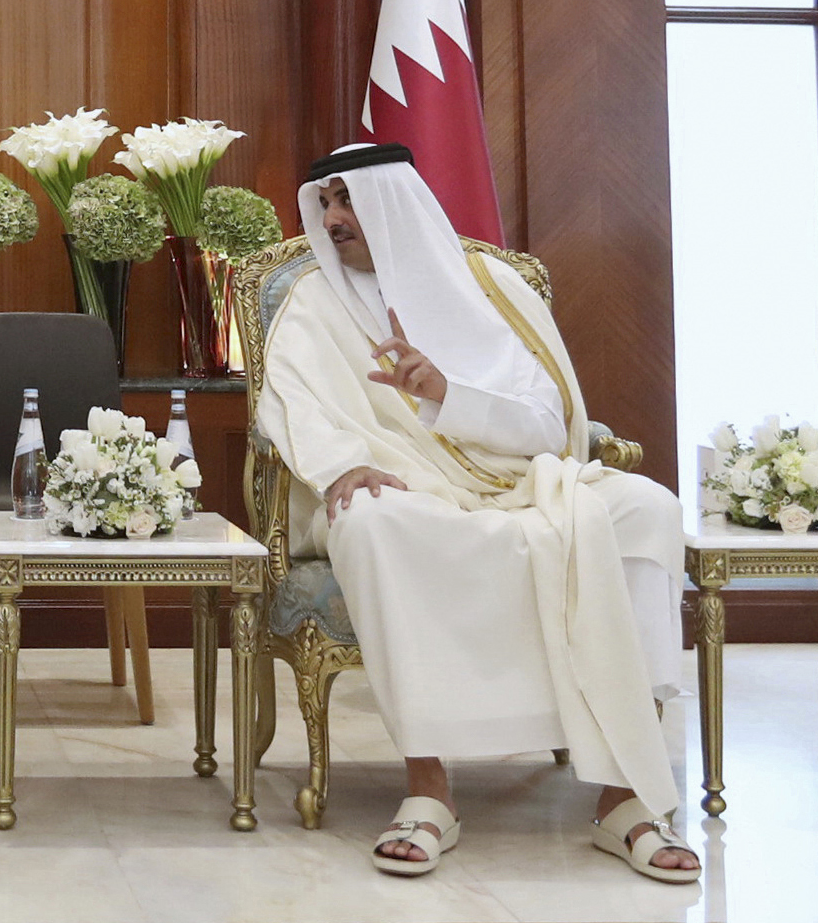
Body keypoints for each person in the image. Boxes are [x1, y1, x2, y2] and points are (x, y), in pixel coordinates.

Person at [254, 142, 700, 884]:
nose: (331, 219)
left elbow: (546, 422)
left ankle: (626, 801)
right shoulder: (313, 303)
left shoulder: (493, 289)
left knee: (646, 509)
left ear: (392, 202)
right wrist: (341, 466)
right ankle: (427, 793)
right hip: (407, 491)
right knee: (368, 518)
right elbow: (294, 405)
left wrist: (444, 394)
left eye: (346, 200)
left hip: (523, 481)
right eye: (323, 204)